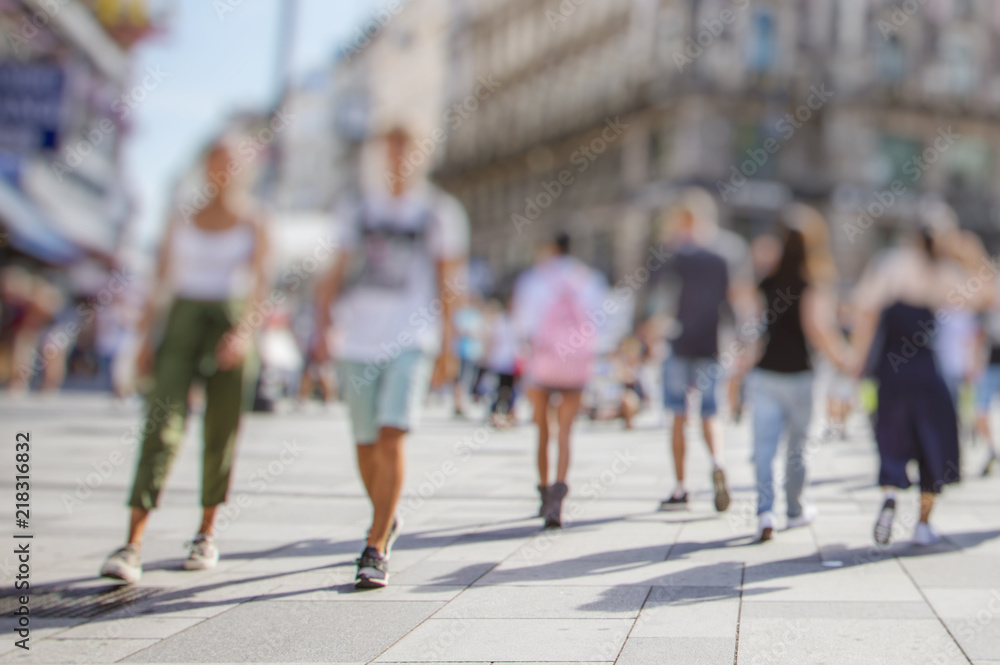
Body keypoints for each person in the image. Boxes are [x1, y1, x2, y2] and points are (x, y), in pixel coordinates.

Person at [100, 136, 271, 584]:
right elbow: (162, 280)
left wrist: (243, 334)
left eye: (232, 163)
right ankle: (132, 541)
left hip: (229, 323)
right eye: (217, 162)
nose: (224, 170)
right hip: (181, 320)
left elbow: (260, 288)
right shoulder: (182, 217)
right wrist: (143, 339)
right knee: (161, 424)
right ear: (205, 166)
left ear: (245, 169)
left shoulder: (256, 220)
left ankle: (205, 532)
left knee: (221, 430)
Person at [313, 126, 469, 588]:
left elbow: (449, 283)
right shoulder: (357, 208)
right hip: (357, 340)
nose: (399, 159)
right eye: (392, 150)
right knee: (365, 443)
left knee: (391, 433)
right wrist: (321, 327)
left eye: (408, 151)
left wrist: (449, 345)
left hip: (411, 339)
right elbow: (334, 269)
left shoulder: (440, 212)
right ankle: (387, 513)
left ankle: (376, 543)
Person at [850, 204, 992, 546]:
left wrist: (856, 359)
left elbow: (865, 309)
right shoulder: (944, 272)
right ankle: (923, 524)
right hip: (929, 370)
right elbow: (987, 299)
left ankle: (890, 495)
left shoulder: (891, 263)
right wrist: (971, 258)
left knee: (892, 436)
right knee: (934, 444)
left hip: (892, 368)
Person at [747, 204, 849, 542]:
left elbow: (750, 323)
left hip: (764, 373)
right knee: (797, 447)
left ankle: (765, 511)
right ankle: (793, 507)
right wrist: (843, 358)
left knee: (764, 447)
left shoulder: (767, 278)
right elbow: (816, 327)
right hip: (800, 374)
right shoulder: (812, 280)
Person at [640, 188, 734, 513]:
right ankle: (718, 461)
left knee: (678, 414)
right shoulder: (723, 255)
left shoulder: (676, 255)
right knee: (710, 413)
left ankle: (681, 487)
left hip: (679, 343)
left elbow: (657, 296)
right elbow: (731, 303)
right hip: (711, 344)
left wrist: (649, 330)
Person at [513, 233, 607, 528]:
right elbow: (602, 321)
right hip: (575, 364)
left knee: (543, 429)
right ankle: (559, 491)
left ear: (552, 248)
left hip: (543, 361)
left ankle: (543, 489)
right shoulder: (589, 279)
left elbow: (521, 321)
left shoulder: (535, 278)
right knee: (566, 431)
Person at [482, 296, 519, 428]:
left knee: (511, 389)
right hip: (499, 360)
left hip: (513, 361)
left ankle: (508, 414)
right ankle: (494, 413)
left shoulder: (517, 320)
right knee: (497, 388)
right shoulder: (500, 320)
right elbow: (491, 339)